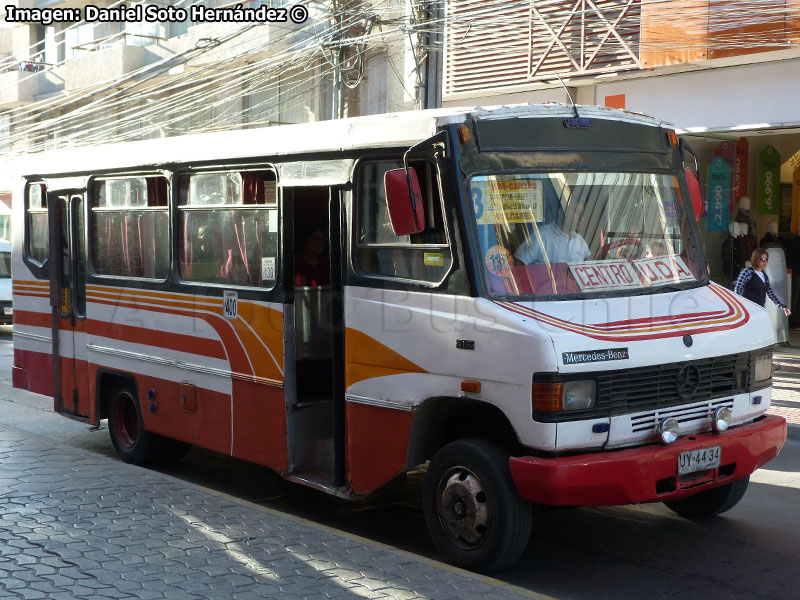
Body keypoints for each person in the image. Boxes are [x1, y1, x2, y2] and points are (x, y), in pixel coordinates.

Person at [514, 200, 590, 264]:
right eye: (576, 212)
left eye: (582, 213)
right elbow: (519, 261)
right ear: (560, 213)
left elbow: (588, 266)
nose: (580, 217)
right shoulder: (542, 236)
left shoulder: (581, 241)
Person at [734, 248, 791, 316]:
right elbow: (738, 289)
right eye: (763, 259)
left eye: (766, 259)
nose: (765, 262)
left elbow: (771, 294)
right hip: (747, 310)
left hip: (759, 310)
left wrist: (783, 307)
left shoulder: (765, 276)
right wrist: (737, 306)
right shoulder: (748, 272)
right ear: (756, 259)